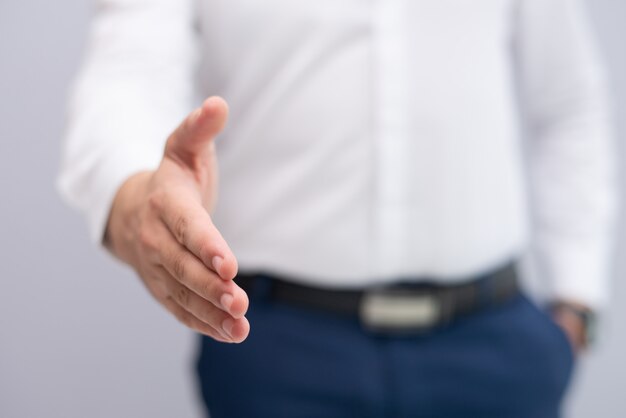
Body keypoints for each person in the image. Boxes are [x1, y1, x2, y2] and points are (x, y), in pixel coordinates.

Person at [58, 1, 616, 417]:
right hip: (280, 353)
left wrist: (575, 305)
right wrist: (140, 203)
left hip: (495, 349)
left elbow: (567, 102)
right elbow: (127, 73)